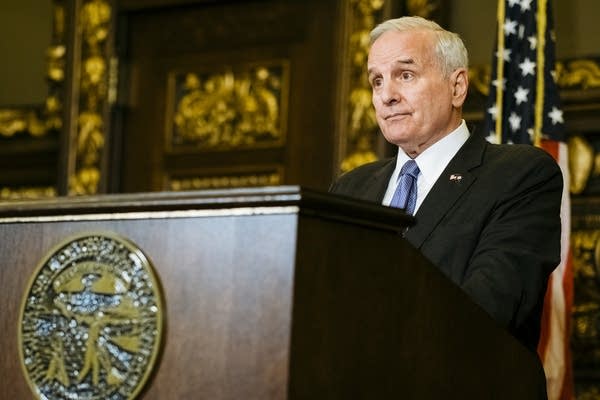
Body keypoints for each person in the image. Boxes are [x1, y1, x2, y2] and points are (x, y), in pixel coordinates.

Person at [329, 16, 563, 355]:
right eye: (377, 81)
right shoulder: (351, 188)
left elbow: (486, 309)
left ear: (457, 87)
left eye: (405, 75)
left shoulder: (519, 175)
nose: (386, 96)